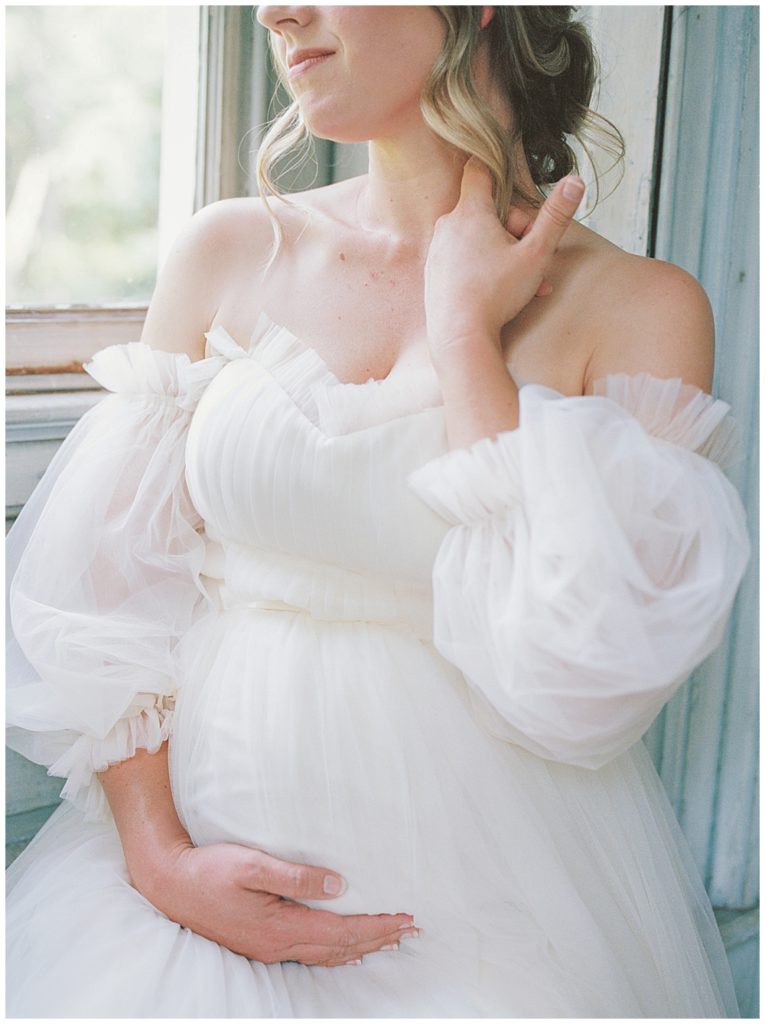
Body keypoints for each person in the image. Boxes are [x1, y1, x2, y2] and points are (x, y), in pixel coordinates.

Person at [6, 5, 751, 1018]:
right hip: (173, 904)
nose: (278, 11)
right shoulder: (227, 250)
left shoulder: (641, 307)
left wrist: (464, 336)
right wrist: (161, 858)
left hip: (483, 923)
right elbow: (113, 588)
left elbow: (582, 685)